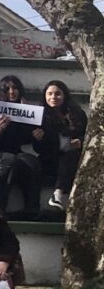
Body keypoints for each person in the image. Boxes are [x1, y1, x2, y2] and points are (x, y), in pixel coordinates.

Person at [0, 75, 44, 218]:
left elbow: (29, 140)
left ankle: (32, 209)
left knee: (31, 162)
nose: (12, 92)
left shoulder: (25, 110)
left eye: (15, 88)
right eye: (7, 89)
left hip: (17, 154)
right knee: (8, 161)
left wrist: (36, 134)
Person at [35, 79, 88, 212]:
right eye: (50, 94)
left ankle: (58, 193)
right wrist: (38, 138)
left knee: (71, 156)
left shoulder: (78, 114)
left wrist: (80, 142)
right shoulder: (40, 116)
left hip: (73, 158)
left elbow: (87, 135)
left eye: (58, 94)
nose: (53, 97)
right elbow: (38, 149)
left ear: (65, 96)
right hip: (50, 160)